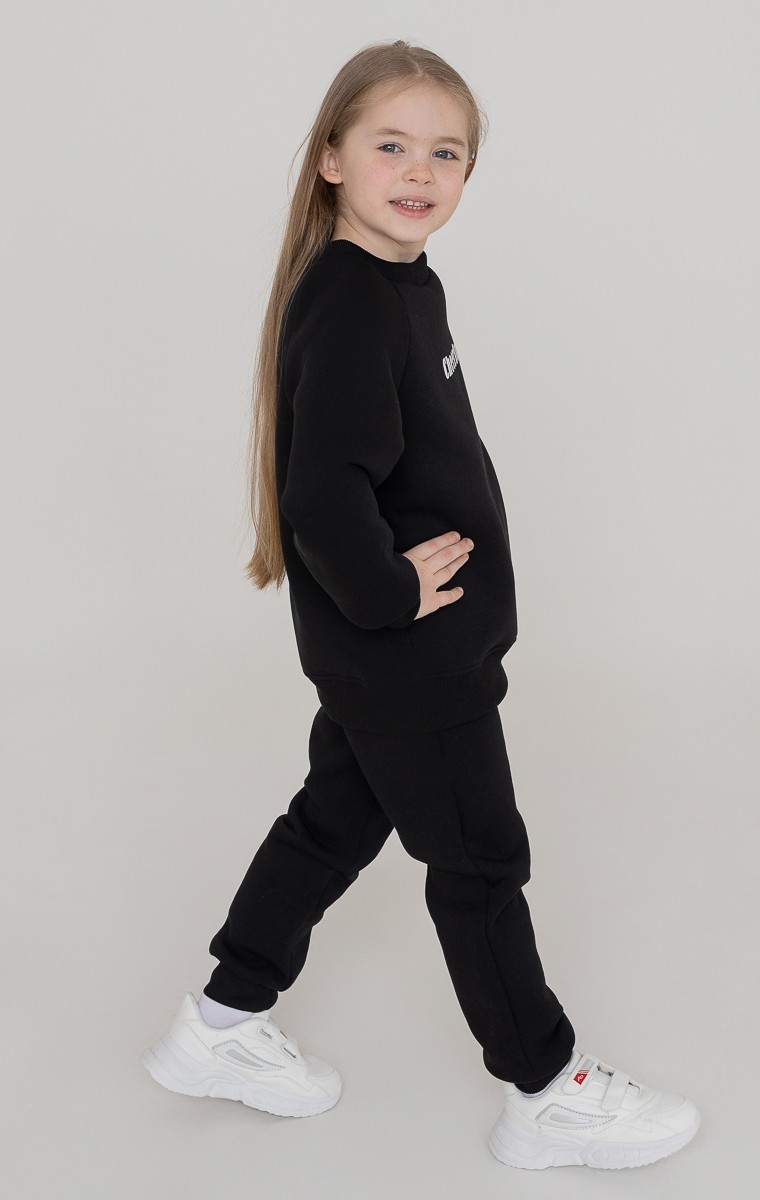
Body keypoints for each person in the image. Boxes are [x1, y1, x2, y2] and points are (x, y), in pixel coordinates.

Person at [140, 39, 701, 1170]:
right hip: (410, 658)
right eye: (390, 145)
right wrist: (393, 593)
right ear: (331, 158)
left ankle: (221, 1022)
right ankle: (544, 1090)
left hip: (388, 658)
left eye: (446, 153)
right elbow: (321, 492)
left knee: (333, 822)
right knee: (481, 864)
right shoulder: (352, 302)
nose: (418, 171)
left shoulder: (397, 284)